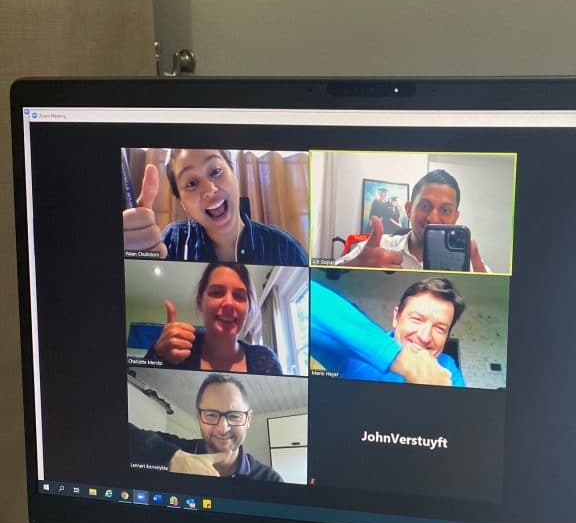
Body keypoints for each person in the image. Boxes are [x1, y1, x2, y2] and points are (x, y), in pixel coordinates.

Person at [123, 148, 307, 264]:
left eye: (216, 171)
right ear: (183, 204)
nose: (209, 190)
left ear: (234, 174)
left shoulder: (285, 248)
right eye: (191, 183)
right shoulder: (173, 241)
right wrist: (133, 261)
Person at [311, 277, 466, 386]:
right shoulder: (354, 349)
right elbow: (304, 297)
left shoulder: (447, 367)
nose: (424, 337)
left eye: (439, 329)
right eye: (417, 319)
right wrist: (403, 360)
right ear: (396, 317)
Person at [129, 373, 283, 481]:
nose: (223, 428)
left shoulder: (271, 480)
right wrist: (171, 457)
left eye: (234, 416)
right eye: (211, 415)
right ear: (199, 418)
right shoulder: (177, 450)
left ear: (248, 419)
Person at [145, 262, 282, 374]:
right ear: (200, 302)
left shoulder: (266, 361)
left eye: (239, 296)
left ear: (248, 307)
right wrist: (158, 355)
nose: (229, 303)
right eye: (217, 292)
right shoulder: (175, 349)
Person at [336, 169, 487, 271]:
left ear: (455, 217)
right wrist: (356, 266)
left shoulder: (469, 264)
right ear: (408, 210)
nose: (433, 218)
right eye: (425, 206)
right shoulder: (378, 248)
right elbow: (323, 280)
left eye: (445, 210)